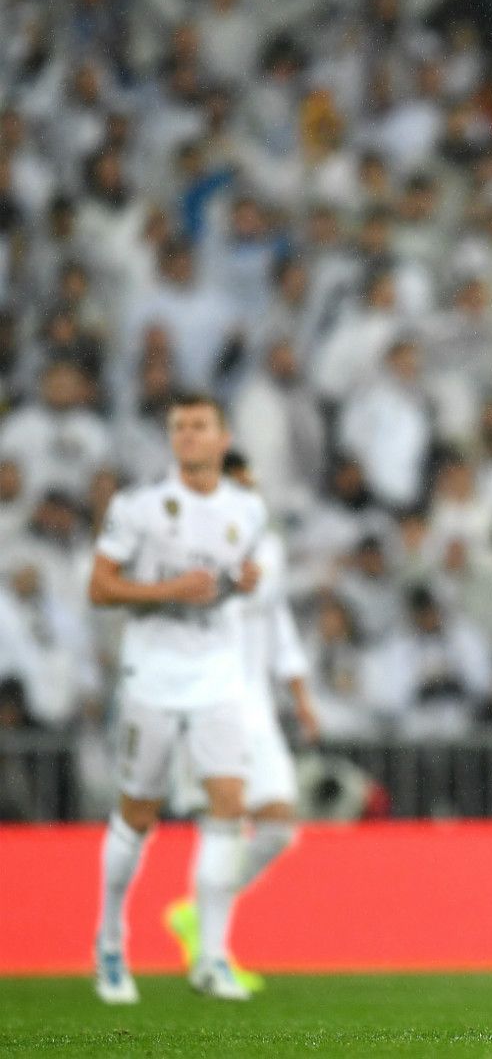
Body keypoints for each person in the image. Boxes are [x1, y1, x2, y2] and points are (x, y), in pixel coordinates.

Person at [89, 394, 269, 1004]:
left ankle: (212, 958)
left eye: (199, 426)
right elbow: (100, 587)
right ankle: (110, 944)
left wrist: (239, 583)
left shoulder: (248, 509)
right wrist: (168, 590)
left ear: (223, 438)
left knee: (229, 805)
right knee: (138, 813)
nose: (188, 435)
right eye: (179, 427)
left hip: (217, 670)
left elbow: (227, 582)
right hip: (154, 672)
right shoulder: (138, 507)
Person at [163, 451, 318, 994]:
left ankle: (195, 915)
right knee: (222, 825)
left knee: (277, 828)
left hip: (256, 707)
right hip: (207, 705)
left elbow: (277, 619)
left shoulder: (266, 547)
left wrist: (300, 694)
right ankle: (212, 959)